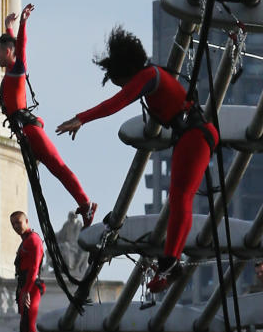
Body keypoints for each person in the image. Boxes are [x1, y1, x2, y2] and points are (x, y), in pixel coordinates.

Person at [56, 26, 219, 293]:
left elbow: (117, 102)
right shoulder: (155, 77)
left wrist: (82, 118)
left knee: (180, 199)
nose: (121, 85)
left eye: (118, 78)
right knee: (181, 198)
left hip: (194, 136)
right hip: (193, 137)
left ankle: (170, 261)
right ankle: (171, 260)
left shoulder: (149, 76)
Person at [0, 4, 97, 228]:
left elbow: (20, 48)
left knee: (58, 167)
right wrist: (9, 27)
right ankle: (84, 203)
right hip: (25, 131)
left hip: (30, 130)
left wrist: (22, 24)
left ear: (7, 52)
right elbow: (14, 46)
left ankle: (86, 204)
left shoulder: (17, 69)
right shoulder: (11, 70)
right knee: (55, 168)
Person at [11, 211, 45, 332]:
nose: (16, 226)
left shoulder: (33, 240)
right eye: (13, 224)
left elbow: (33, 268)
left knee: (29, 323)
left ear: (27, 221)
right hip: (24, 285)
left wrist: (26, 291)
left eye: (18, 222)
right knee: (24, 324)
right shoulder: (25, 241)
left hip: (31, 286)